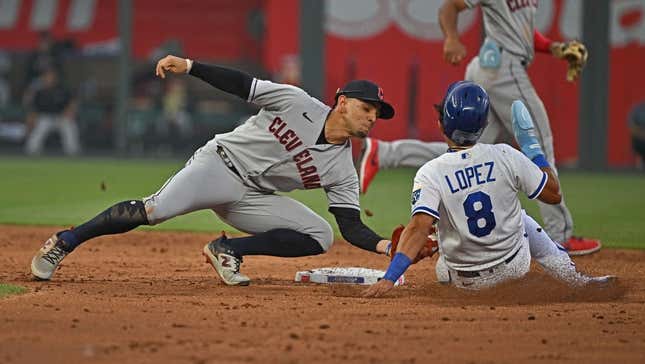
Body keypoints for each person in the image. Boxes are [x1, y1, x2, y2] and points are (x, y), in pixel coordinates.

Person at [30, 55, 401, 286]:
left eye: (376, 113)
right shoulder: (297, 102)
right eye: (366, 108)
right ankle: (65, 241)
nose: (372, 117)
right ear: (342, 103)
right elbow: (243, 84)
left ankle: (226, 249)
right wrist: (190, 67)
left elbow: (350, 226)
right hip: (219, 165)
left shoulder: (342, 168)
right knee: (154, 211)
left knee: (320, 235)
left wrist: (388, 247)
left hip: (252, 197)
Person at [357, 0, 600, 256]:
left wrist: (555, 48)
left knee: (469, 153)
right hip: (502, 67)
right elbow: (450, 7)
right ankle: (560, 235)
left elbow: (521, 34)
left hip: (493, 66)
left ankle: (384, 153)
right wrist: (451, 38)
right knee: (540, 142)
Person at [363, 81, 614, 297]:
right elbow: (553, 194)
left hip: (463, 282)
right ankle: (576, 280)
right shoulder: (505, 155)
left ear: (440, 124)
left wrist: (390, 278)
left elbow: (417, 227)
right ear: (483, 126)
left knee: (439, 222)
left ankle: (441, 238)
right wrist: (533, 150)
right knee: (522, 219)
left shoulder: (430, 172)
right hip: (514, 268)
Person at [23, 68, 80, 156]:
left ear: (55, 78)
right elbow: (32, 108)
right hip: (45, 118)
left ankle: (73, 153)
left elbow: (72, 101)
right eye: (47, 77)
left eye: (51, 77)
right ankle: (32, 152)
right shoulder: (39, 91)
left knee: (70, 128)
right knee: (38, 132)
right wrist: (31, 118)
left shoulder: (62, 88)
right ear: (43, 78)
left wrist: (70, 111)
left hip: (62, 117)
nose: (49, 79)